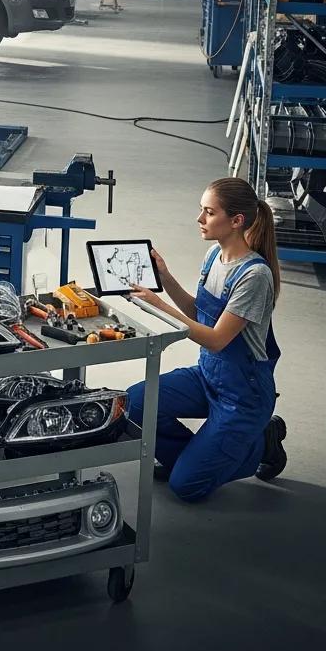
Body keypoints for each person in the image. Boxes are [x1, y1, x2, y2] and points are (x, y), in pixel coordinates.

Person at [125, 177, 288, 502]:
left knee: (186, 487)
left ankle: (262, 439)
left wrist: (157, 306)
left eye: (209, 212)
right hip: (209, 376)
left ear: (236, 221)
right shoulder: (214, 255)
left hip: (243, 394)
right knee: (136, 401)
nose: (200, 219)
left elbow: (216, 340)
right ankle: (196, 459)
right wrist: (165, 277)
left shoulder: (255, 276)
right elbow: (199, 312)